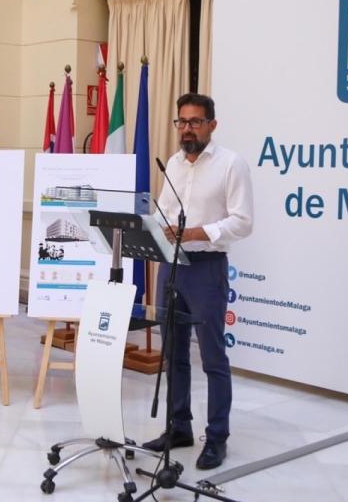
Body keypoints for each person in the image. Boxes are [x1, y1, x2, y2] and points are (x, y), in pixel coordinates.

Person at [142, 92, 254, 470]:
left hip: (206, 270)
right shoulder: (173, 163)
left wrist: (195, 233)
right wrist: (147, 229)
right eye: (181, 122)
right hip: (171, 267)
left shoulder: (230, 164)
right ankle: (179, 427)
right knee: (173, 354)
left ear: (212, 125)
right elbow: (163, 213)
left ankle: (217, 437)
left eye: (194, 122)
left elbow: (243, 222)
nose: (187, 129)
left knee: (211, 357)